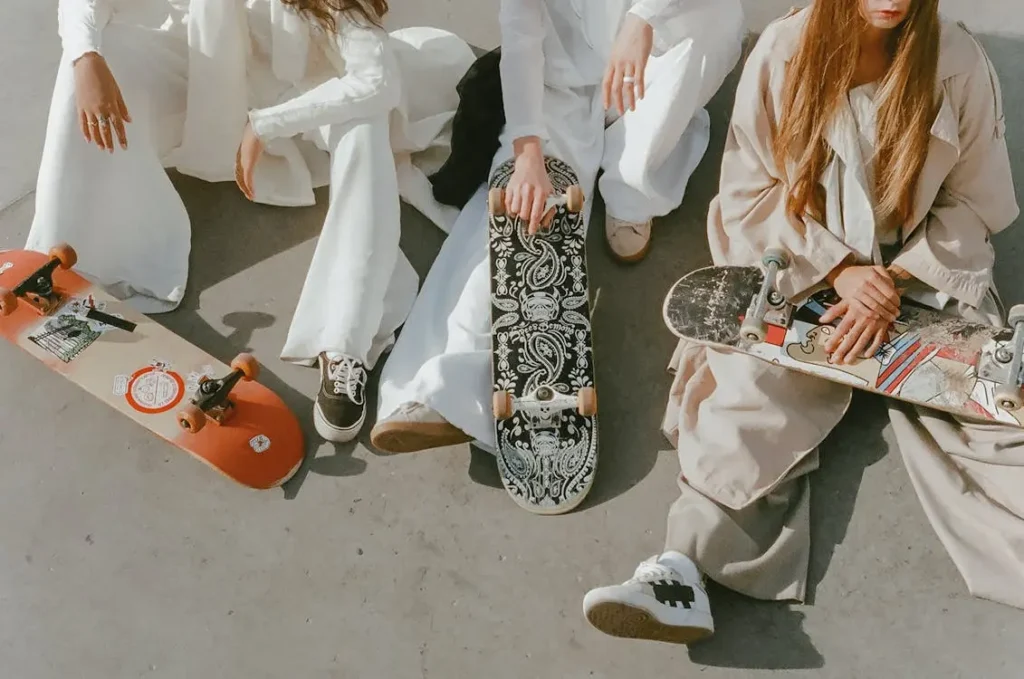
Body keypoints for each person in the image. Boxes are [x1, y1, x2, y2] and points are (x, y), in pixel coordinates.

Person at [582, 0, 1023, 645]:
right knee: (745, 389)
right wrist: (839, 269)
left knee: (996, 410)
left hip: (923, 279)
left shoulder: (955, 62)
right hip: (804, 269)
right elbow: (749, 191)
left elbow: (973, 201)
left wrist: (896, 281)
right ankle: (684, 571)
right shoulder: (786, 52)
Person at [29, 0, 474, 443]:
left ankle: (344, 344)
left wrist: (267, 125)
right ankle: (74, 250)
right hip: (210, 82)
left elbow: (375, 82)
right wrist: (86, 57)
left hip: (312, 89)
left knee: (364, 133)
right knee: (93, 59)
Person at [370, 0, 745, 454]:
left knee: (716, 19)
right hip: (563, 78)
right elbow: (521, 33)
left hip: (664, 48)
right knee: (522, 211)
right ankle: (440, 386)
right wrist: (528, 150)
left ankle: (632, 189)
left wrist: (643, 17)